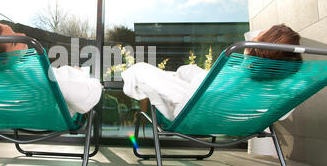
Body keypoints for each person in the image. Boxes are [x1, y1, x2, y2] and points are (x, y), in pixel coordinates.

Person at [0, 20, 103, 144]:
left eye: (12, 31)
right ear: (2, 61)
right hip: (51, 121)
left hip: (15, 121)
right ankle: (78, 72)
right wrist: (94, 82)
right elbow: (86, 98)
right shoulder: (39, 77)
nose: (21, 35)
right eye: (14, 42)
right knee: (71, 78)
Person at [121, 24, 302, 121]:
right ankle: (177, 76)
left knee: (140, 69)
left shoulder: (232, 76)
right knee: (186, 71)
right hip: (231, 117)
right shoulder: (282, 91)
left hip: (196, 112)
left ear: (256, 48)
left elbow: (191, 100)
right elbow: (283, 115)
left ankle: (172, 77)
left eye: (256, 39)